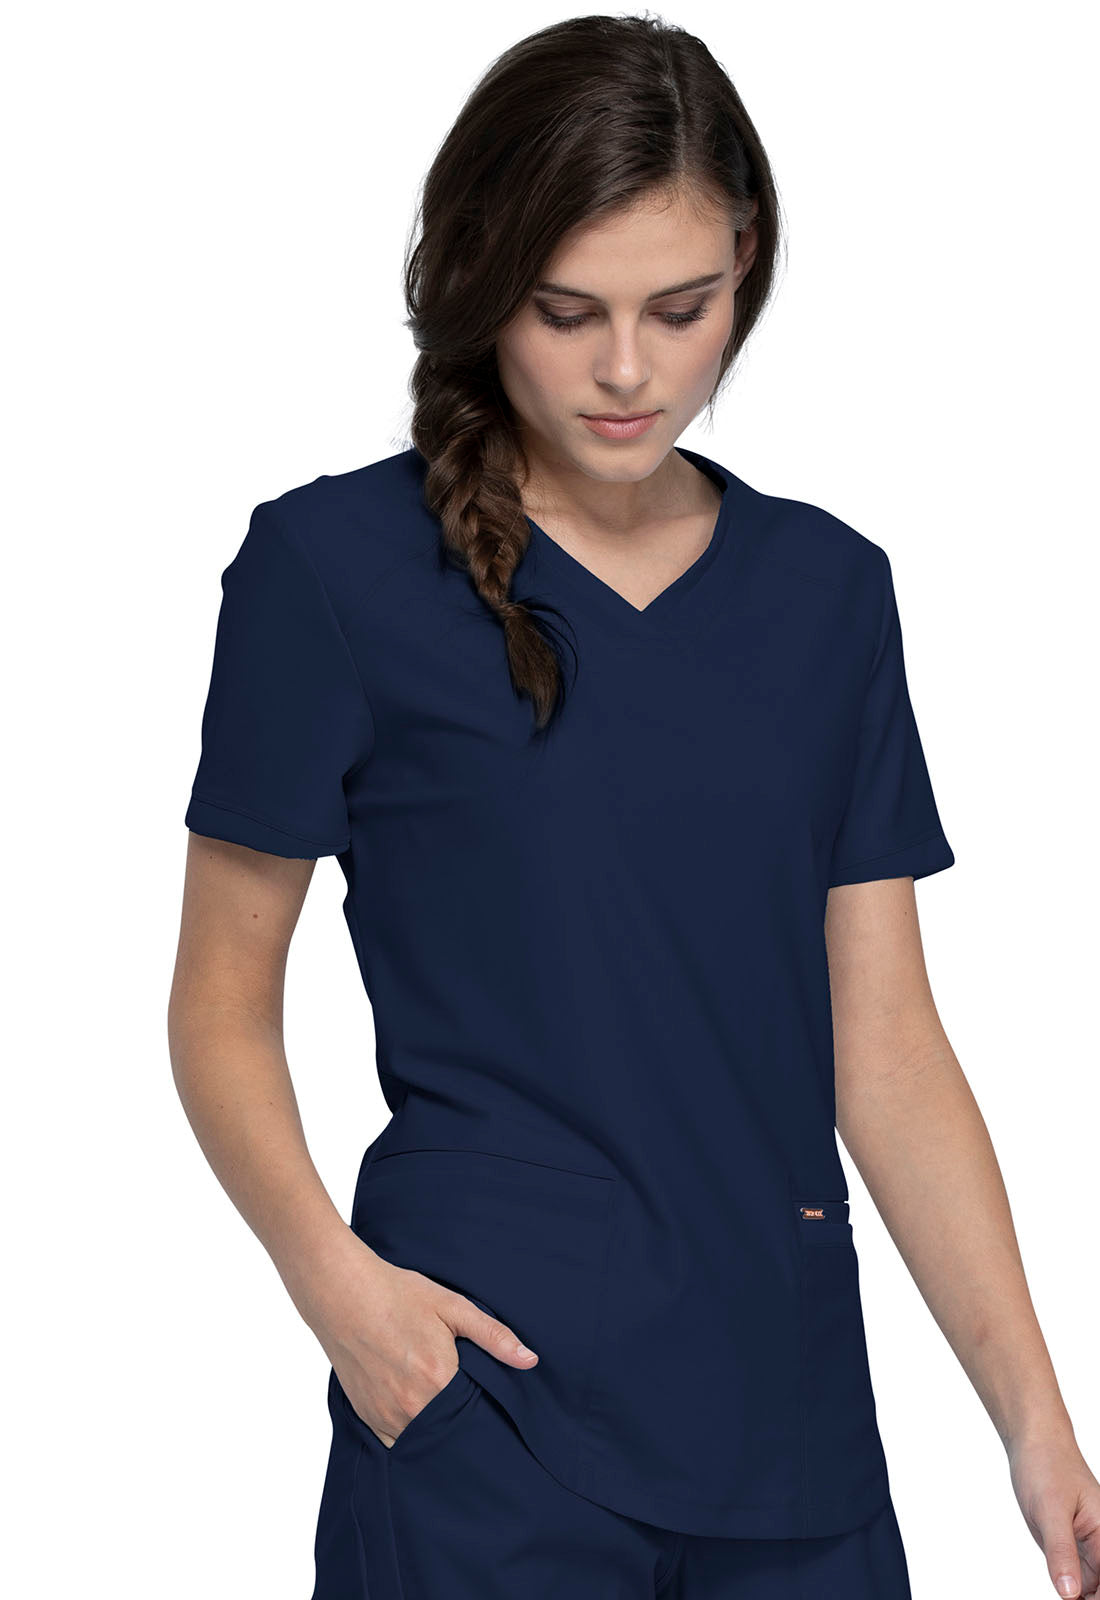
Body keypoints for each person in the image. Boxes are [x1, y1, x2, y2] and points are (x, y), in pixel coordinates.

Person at [167, 14, 1099, 1599]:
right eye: (567, 311)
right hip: (484, 1414)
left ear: (747, 268)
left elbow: (883, 1045)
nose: (626, 370)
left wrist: (1035, 1423)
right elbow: (218, 1004)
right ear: (484, 283)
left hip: (790, 1419)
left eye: (682, 310)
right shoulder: (330, 576)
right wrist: (341, 1295)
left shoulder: (828, 595)